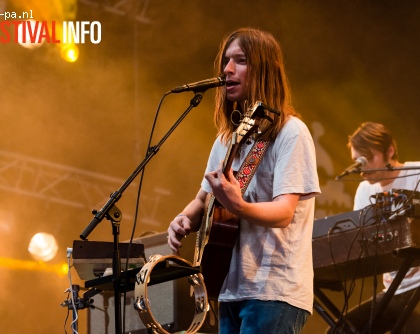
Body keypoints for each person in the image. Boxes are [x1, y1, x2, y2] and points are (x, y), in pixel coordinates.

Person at [166, 27, 320, 334]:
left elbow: (284, 212)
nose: (227, 69)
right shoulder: (227, 140)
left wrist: (237, 205)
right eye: (226, 60)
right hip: (229, 288)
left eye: (241, 60)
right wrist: (184, 218)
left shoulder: (291, 133)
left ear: (263, 70)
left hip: (273, 291)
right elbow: (204, 198)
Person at [336, 122, 420, 333]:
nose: (361, 167)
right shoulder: (364, 190)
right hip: (395, 290)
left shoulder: (417, 174)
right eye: (356, 160)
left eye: (366, 158)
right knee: (341, 330)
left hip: (417, 287)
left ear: (389, 151)